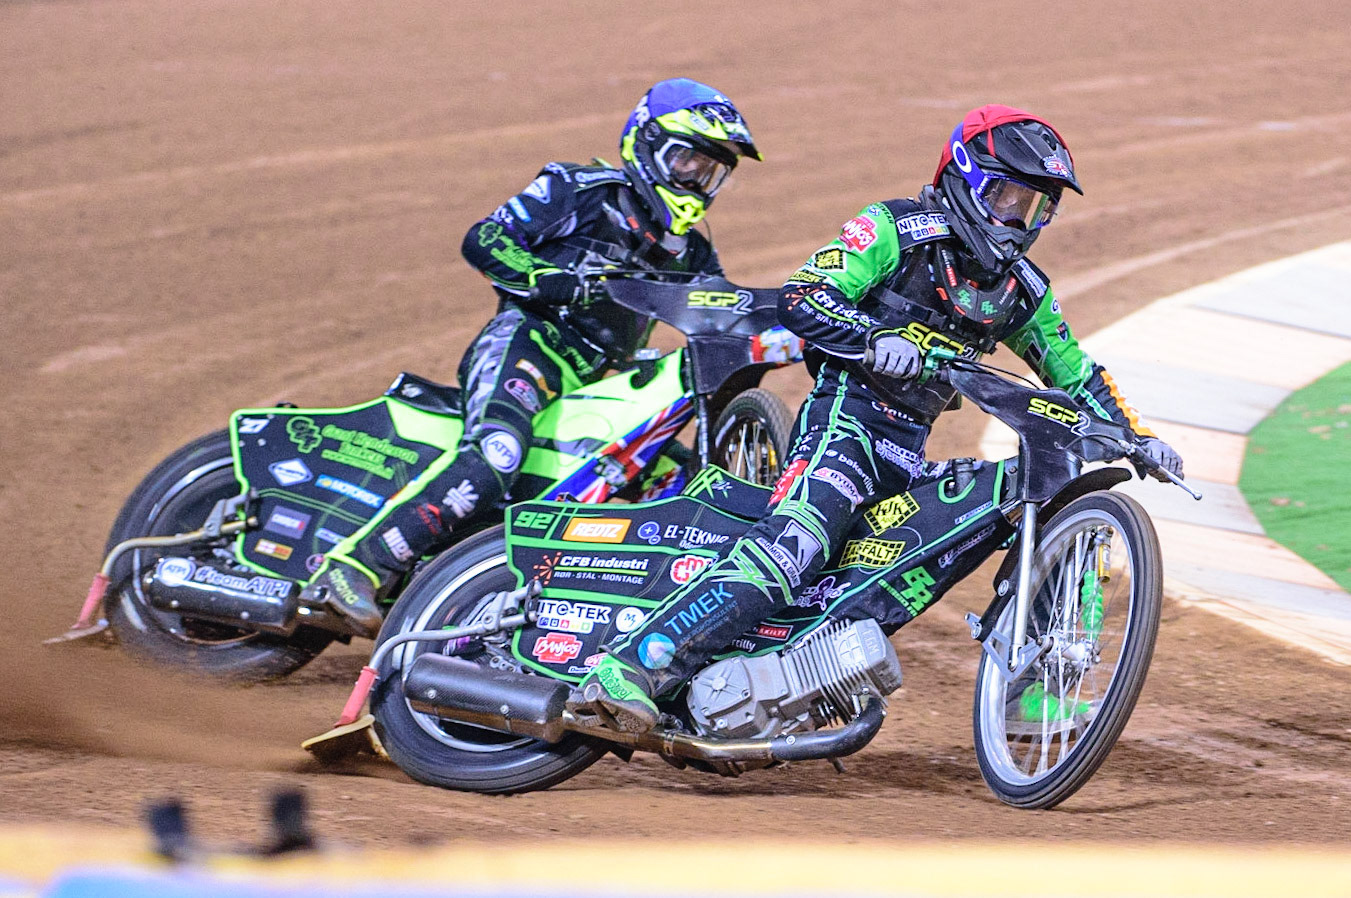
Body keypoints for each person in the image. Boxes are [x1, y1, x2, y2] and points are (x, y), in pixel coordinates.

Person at [572, 104, 1183, 733]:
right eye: (1005, 197)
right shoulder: (893, 228)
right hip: (846, 427)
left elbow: (1077, 373)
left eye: (1032, 208)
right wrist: (870, 339)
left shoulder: (1022, 290)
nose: (1015, 221)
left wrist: (1137, 438)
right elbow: (804, 295)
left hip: (905, 456)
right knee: (796, 548)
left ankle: (1031, 696)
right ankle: (632, 667)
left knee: (1040, 494)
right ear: (965, 178)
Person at [304, 78, 762, 636]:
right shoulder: (581, 189)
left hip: (600, 383)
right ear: (646, 144)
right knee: (497, 454)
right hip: (530, 343)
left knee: (676, 486)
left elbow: (718, 311)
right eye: (688, 161)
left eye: (711, 171)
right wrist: (546, 280)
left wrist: (785, 315)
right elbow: (486, 238)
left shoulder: (692, 248)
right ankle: (354, 566)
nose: (697, 181)